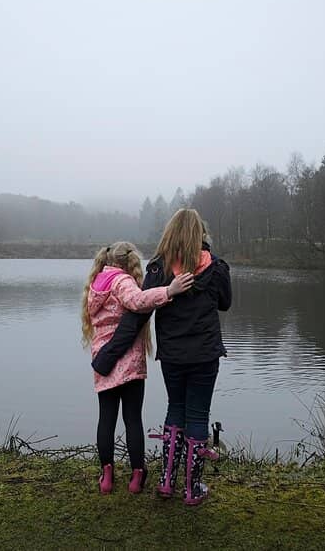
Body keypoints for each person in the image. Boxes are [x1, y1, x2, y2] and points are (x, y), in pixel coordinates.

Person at [92, 209, 231, 505]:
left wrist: (107, 356)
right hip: (205, 355)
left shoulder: (158, 268)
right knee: (197, 415)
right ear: (200, 236)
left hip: (172, 357)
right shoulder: (216, 267)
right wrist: (208, 254)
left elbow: (137, 317)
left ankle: (167, 482)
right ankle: (192, 489)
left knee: (176, 409)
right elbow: (225, 303)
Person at [82, 241, 194, 495]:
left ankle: (107, 476)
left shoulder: (97, 282)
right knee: (132, 418)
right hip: (129, 361)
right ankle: (136, 476)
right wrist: (170, 290)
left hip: (104, 359)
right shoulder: (122, 281)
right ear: (128, 261)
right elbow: (139, 301)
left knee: (106, 419)